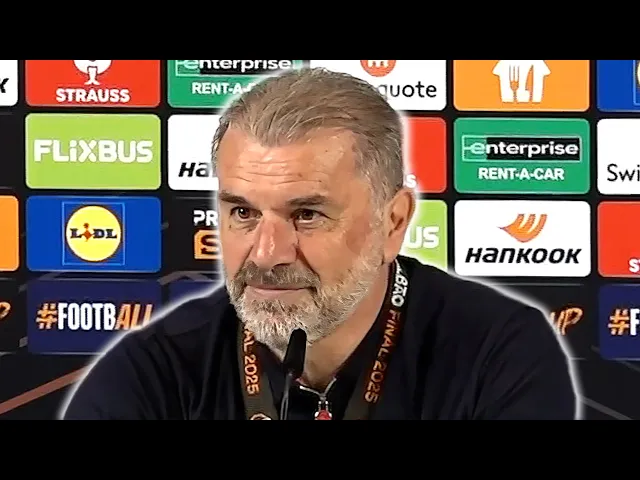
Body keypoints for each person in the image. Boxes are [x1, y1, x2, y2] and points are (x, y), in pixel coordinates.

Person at [61, 67, 579, 420]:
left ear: (393, 222)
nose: (267, 254)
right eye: (243, 213)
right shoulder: (151, 372)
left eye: (306, 215)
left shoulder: (500, 353)